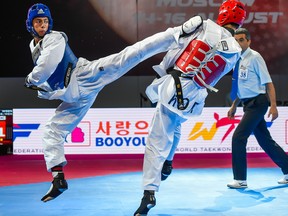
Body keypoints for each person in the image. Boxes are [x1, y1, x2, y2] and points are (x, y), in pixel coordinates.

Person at [24, 3, 205, 202]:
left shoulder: (54, 38)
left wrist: (32, 80)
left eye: (45, 21)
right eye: (38, 21)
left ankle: (179, 31)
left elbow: (47, 65)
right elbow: (48, 79)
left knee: (130, 54)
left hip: (85, 76)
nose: (43, 25)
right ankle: (58, 178)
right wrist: (45, 90)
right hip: (74, 96)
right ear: (30, 25)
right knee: (52, 129)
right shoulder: (34, 46)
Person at [134, 0, 246, 215]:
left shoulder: (204, 25)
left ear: (222, 14)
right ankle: (168, 160)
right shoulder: (236, 51)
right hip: (196, 97)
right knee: (174, 124)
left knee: (155, 140)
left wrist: (166, 71)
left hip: (176, 85)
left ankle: (149, 192)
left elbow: (175, 51)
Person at [226, 27, 288, 189]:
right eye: (236, 40)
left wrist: (273, 106)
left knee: (238, 137)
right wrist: (234, 105)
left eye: (241, 40)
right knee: (266, 142)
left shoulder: (255, 57)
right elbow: (242, 86)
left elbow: (268, 83)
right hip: (247, 104)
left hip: (258, 103)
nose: (238, 43)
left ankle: (240, 179)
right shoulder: (237, 60)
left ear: (248, 41)